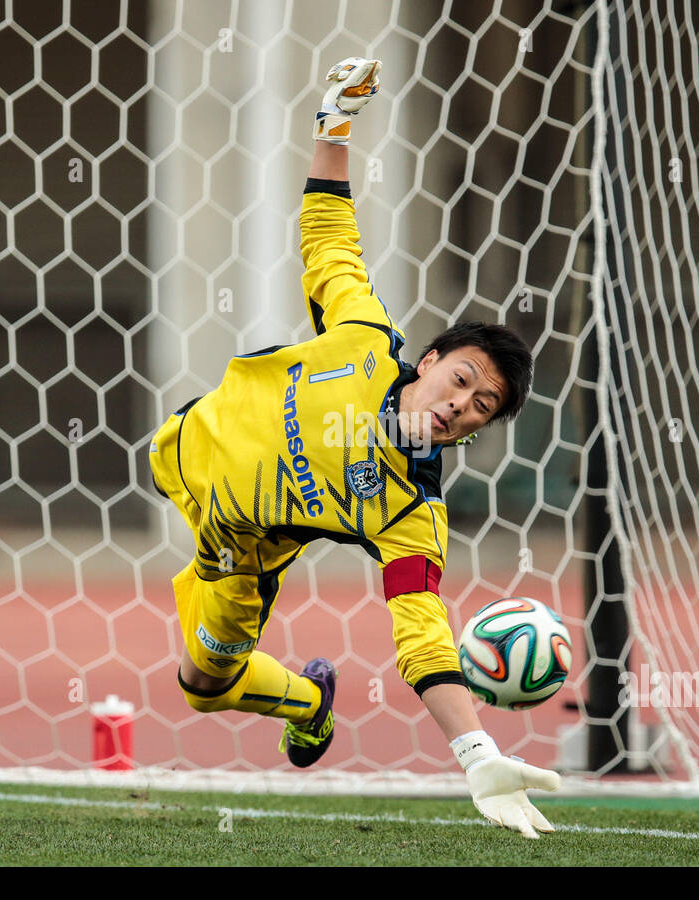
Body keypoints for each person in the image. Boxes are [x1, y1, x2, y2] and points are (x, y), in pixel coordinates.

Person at [148, 57, 560, 837]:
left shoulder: (411, 512)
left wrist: (476, 754)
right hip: (183, 450)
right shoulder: (365, 340)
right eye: (462, 379)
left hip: (236, 550)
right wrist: (333, 123)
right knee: (201, 671)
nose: (462, 406)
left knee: (202, 684)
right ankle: (301, 697)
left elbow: (421, 630)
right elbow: (331, 239)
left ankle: (308, 702)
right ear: (430, 359)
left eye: (483, 408)